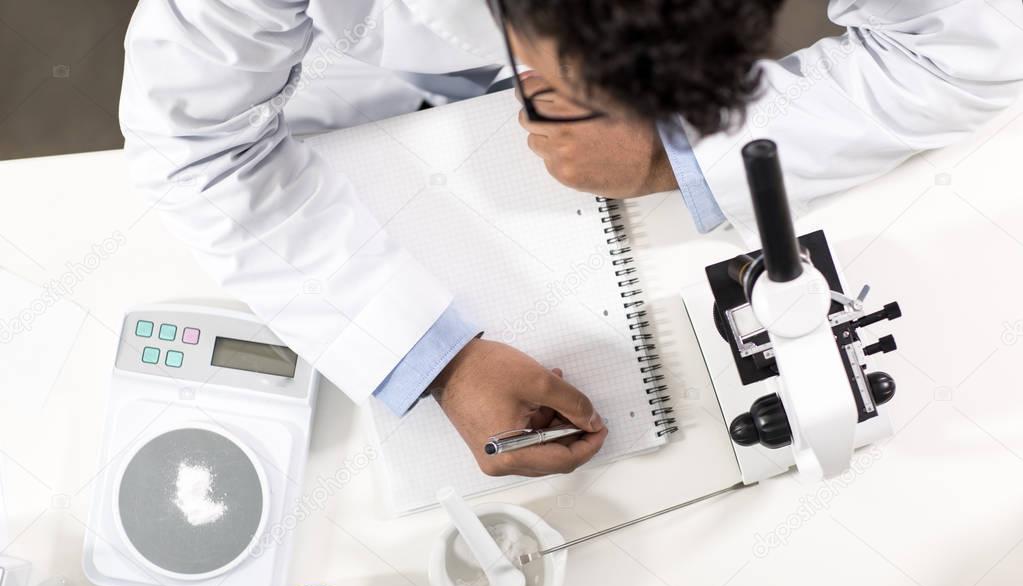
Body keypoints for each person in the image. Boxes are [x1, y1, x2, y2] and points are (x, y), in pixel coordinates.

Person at [120, 0, 1023, 478]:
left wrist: (674, 154)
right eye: (567, 85)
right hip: (352, 92)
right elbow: (195, 142)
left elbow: (977, 44)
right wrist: (423, 353)